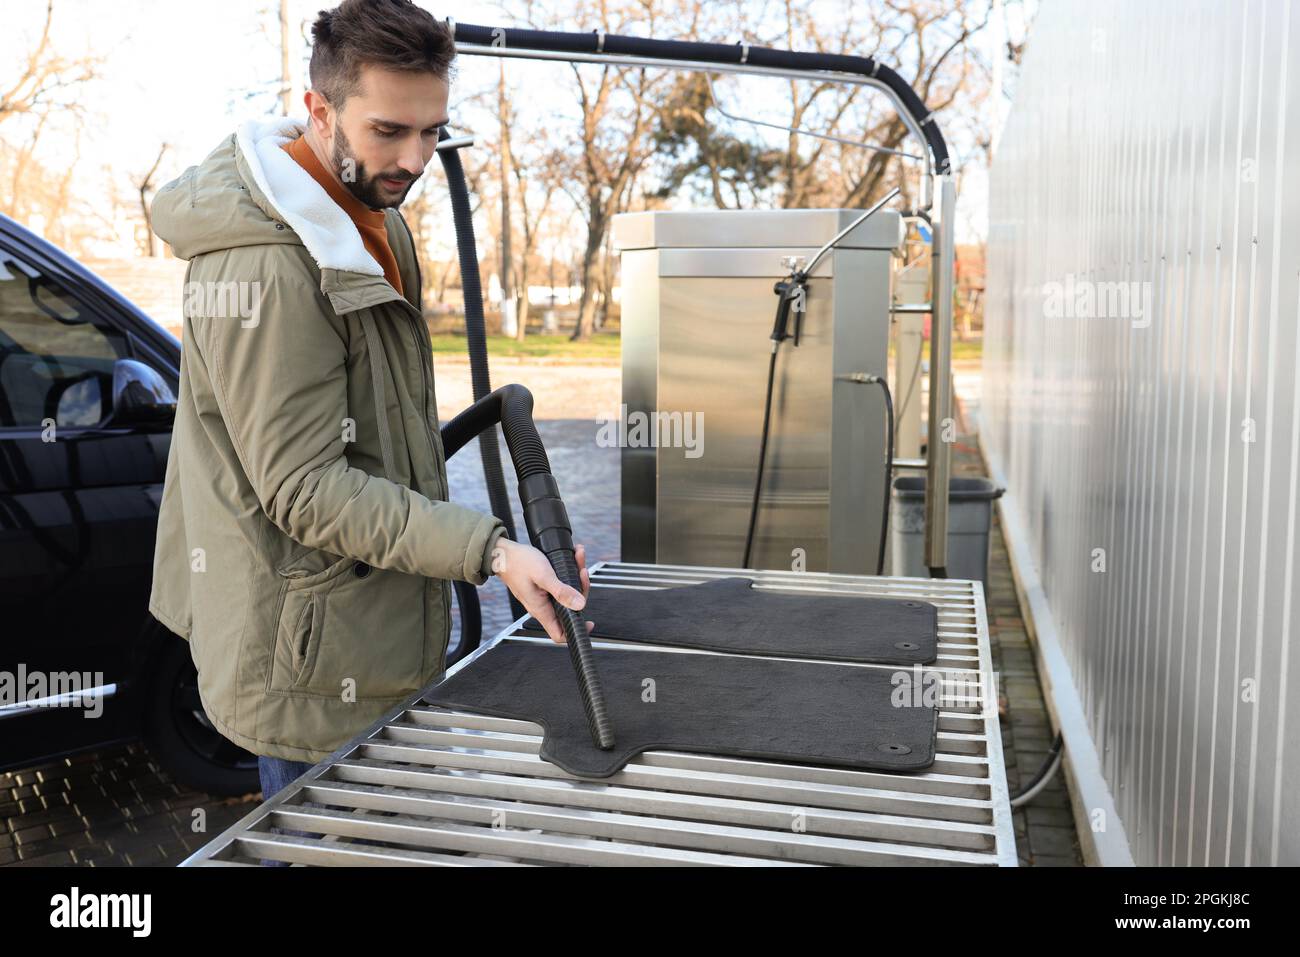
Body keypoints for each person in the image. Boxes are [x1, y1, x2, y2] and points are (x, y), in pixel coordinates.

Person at [145, 0, 591, 862]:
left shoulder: (369, 215)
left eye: (432, 131)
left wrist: (516, 542)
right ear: (319, 110)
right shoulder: (271, 266)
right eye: (390, 130)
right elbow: (305, 488)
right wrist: (493, 550)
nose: (415, 159)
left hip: (368, 621)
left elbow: (383, 428)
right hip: (309, 651)